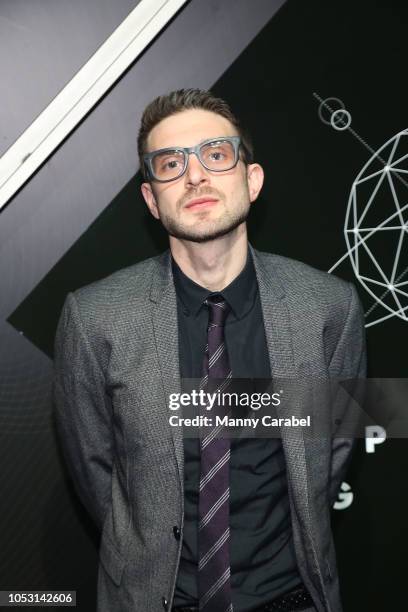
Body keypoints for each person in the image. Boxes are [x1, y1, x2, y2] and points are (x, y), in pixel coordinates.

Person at [53, 88, 366, 612]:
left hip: (294, 598)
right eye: (171, 164)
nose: (195, 176)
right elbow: (95, 471)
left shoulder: (329, 308)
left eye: (216, 155)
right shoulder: (94, 318)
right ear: (152, 201)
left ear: (252, 179)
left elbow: (330, 450)